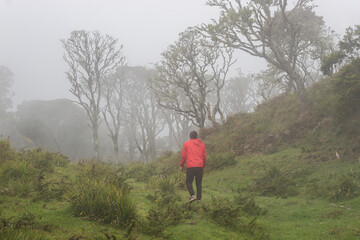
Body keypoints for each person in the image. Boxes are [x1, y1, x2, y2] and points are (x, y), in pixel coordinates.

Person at [180, 130, 206, 203]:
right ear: (197, 136)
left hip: (190, 166)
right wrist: (203, 166)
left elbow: (183, 156)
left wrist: (181, 166)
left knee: (188, 182)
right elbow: (204, 157)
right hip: (200, 166)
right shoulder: (202, 145)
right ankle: (199, 200)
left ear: (190, 137)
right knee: (198, 183)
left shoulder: (186, 144)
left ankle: (193, 195)